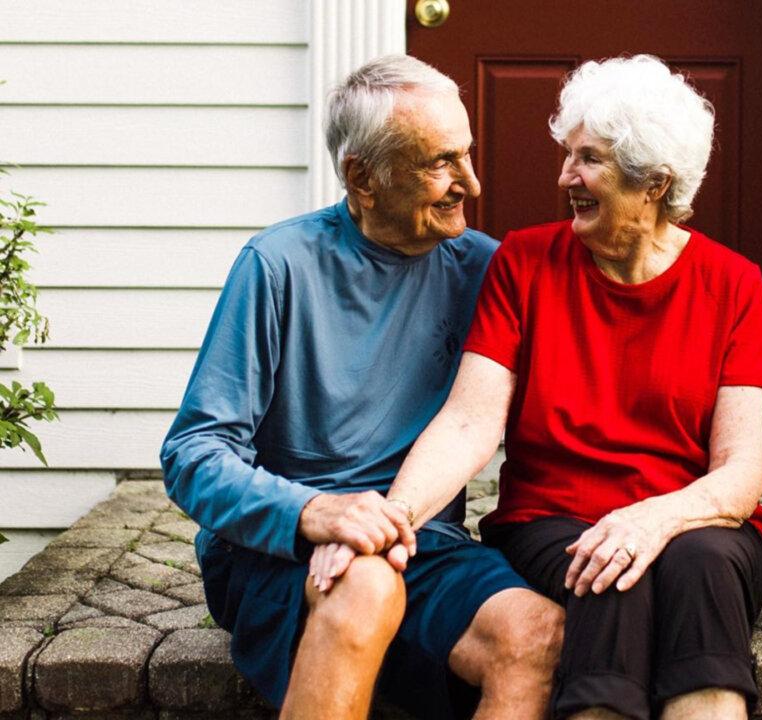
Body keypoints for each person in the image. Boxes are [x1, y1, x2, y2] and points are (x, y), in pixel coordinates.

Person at [315, 54, 762, 720]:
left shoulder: (732, 282)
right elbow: (470, 423)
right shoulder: (524, 263)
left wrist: (651, 518)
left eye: (588, 159)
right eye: (569, 155)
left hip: (693, 522)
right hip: (551, 520)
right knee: (607, 574)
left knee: (698, 563)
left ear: (653, 183)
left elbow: (741, 471)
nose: (566, 177)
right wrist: (390, 521)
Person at [160, 55, 563, 720]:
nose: (472, 182)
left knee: (536, 634)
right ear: (362, 178)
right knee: (368, 585)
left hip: (421, 540)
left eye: (467, 155)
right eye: (440, 162)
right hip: (278, 554)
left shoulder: (487, 270)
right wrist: (315, 514)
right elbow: (193, 454)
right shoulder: (278, 265)